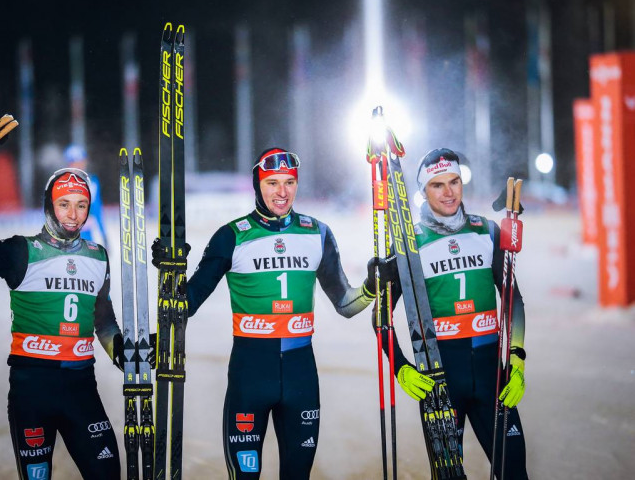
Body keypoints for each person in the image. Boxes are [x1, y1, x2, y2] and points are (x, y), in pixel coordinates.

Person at [151, 148, 382, 479]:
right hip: (250, 375)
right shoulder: (231, 235)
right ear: (257, 184)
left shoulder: (318, 233)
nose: (282, 192)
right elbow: (188, 302)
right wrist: (170, 273)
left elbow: (345, 304)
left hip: (301, 376)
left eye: (289, 182)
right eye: (272, 182)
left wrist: (372, 287)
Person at [0, 161, 124, 480]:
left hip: (82, 389)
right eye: (64, 205)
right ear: (49, 206)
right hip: (32, 390)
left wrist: (123, 355)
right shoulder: (21, 251)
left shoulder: (98, 256)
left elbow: (103, 323)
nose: (73, 215)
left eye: (81, 205)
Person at [381, 148, 528, 479]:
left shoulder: (487, 231)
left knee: (515, 472)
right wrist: (401, 367)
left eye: (454, 182)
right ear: (423, 191)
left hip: (493, 375)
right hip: (440, 379)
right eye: (437, 185)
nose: (448, 192)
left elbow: (512, 298)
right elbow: (381, 317)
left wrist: (516, 358)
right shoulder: (409, 243)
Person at [64, 144, 108, 247]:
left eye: (81, 162)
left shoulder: (92, 182)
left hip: (86, 237)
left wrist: (104, 236)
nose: (78, 166)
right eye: (74, 163)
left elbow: (97, 210)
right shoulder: (60, 183)